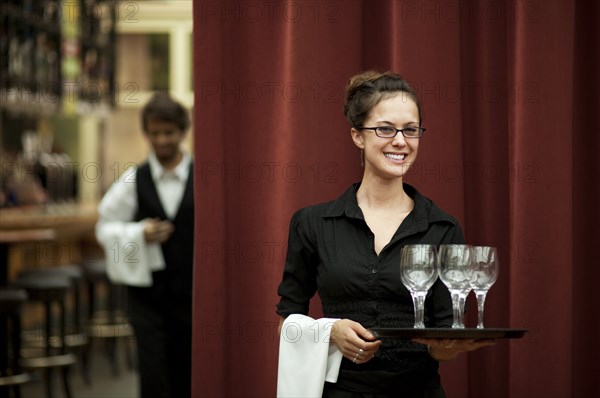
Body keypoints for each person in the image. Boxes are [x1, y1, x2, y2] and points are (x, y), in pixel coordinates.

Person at [276, 71, 494, 397]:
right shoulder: (313, 223)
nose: (400, 141)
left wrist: (451, 345)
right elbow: (287, 325)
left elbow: (444, 341)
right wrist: (331, 331)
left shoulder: (442, 227)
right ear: (357, 136)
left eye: (411, 130)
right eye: (385, 129)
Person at [95, 92, 193, 398]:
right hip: (147, 297)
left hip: (193, 294)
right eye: (155, 133)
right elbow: (104, 227)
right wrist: (138, 233)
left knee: (188, 370)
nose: (162, 140)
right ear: (147, 134)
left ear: (182, 131)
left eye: (169, 132)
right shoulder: (132, 180)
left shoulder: (204, 177)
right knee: (152, 374)